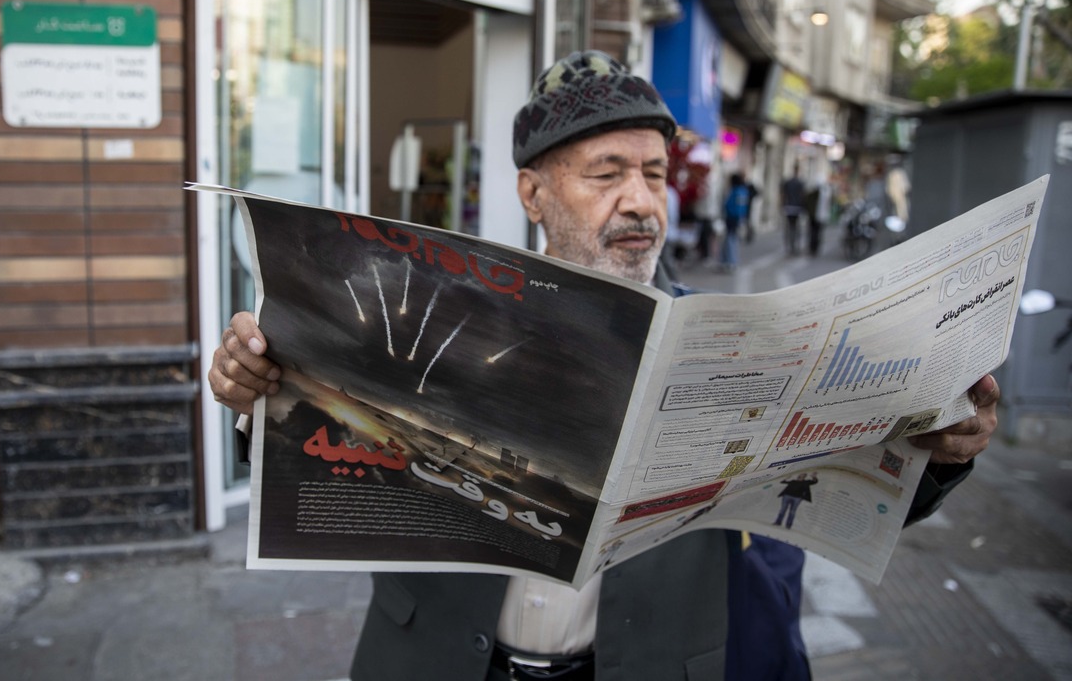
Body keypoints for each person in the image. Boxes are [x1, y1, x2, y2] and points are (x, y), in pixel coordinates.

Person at [209, 50, 1000, 681]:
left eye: (654, 174)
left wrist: (935, 456)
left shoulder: (747, 346)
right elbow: (331, 446)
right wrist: (261, 393)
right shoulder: (430, 319)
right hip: (441, 656)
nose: (641, 201)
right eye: (607, 173)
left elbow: (846, 490)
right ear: (534, 194)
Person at [721, 172, 750, 271]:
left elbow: (728, 205)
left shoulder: (734, 191)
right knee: (733, 239)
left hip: (731, 218)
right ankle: (729, 261)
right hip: (739, 218)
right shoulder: (743, 191)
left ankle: (731, 261)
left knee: (730, 240)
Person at [782, 166, 806, 255]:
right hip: (797, 207)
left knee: (790, 227)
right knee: (795, 227)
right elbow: (802, 195)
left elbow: (783, 195)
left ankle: (790, 245)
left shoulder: (788, 182)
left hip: (789, 207)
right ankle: (794, 246)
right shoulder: (800, 183)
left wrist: (783, 205)